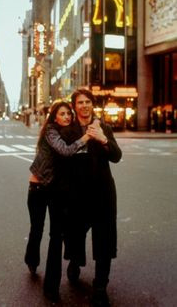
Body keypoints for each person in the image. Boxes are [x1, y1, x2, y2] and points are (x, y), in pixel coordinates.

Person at [61, 88, 122, 307]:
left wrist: (104, 140)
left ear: (92, 105)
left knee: (104, 240)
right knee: (75, 235)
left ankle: (100, 286)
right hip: (77, 195)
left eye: (88, 102)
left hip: (103, 193)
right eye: (80, 102)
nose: (84, 106)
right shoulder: (68, 131)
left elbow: (116, 156)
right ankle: (75, 263)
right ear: (74, 106)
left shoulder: (103, 127)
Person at [24, 100, 90, 302]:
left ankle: (51, 286)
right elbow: (65, 150)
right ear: (54, 117)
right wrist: (86, 137)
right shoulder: (51, 131)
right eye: (62, 114)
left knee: (56, 236)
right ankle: (32, 259)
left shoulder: (67, 131)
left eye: (68, 114)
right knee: (37, 229)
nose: (67, 117)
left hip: (54, 190)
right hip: (37, 188)